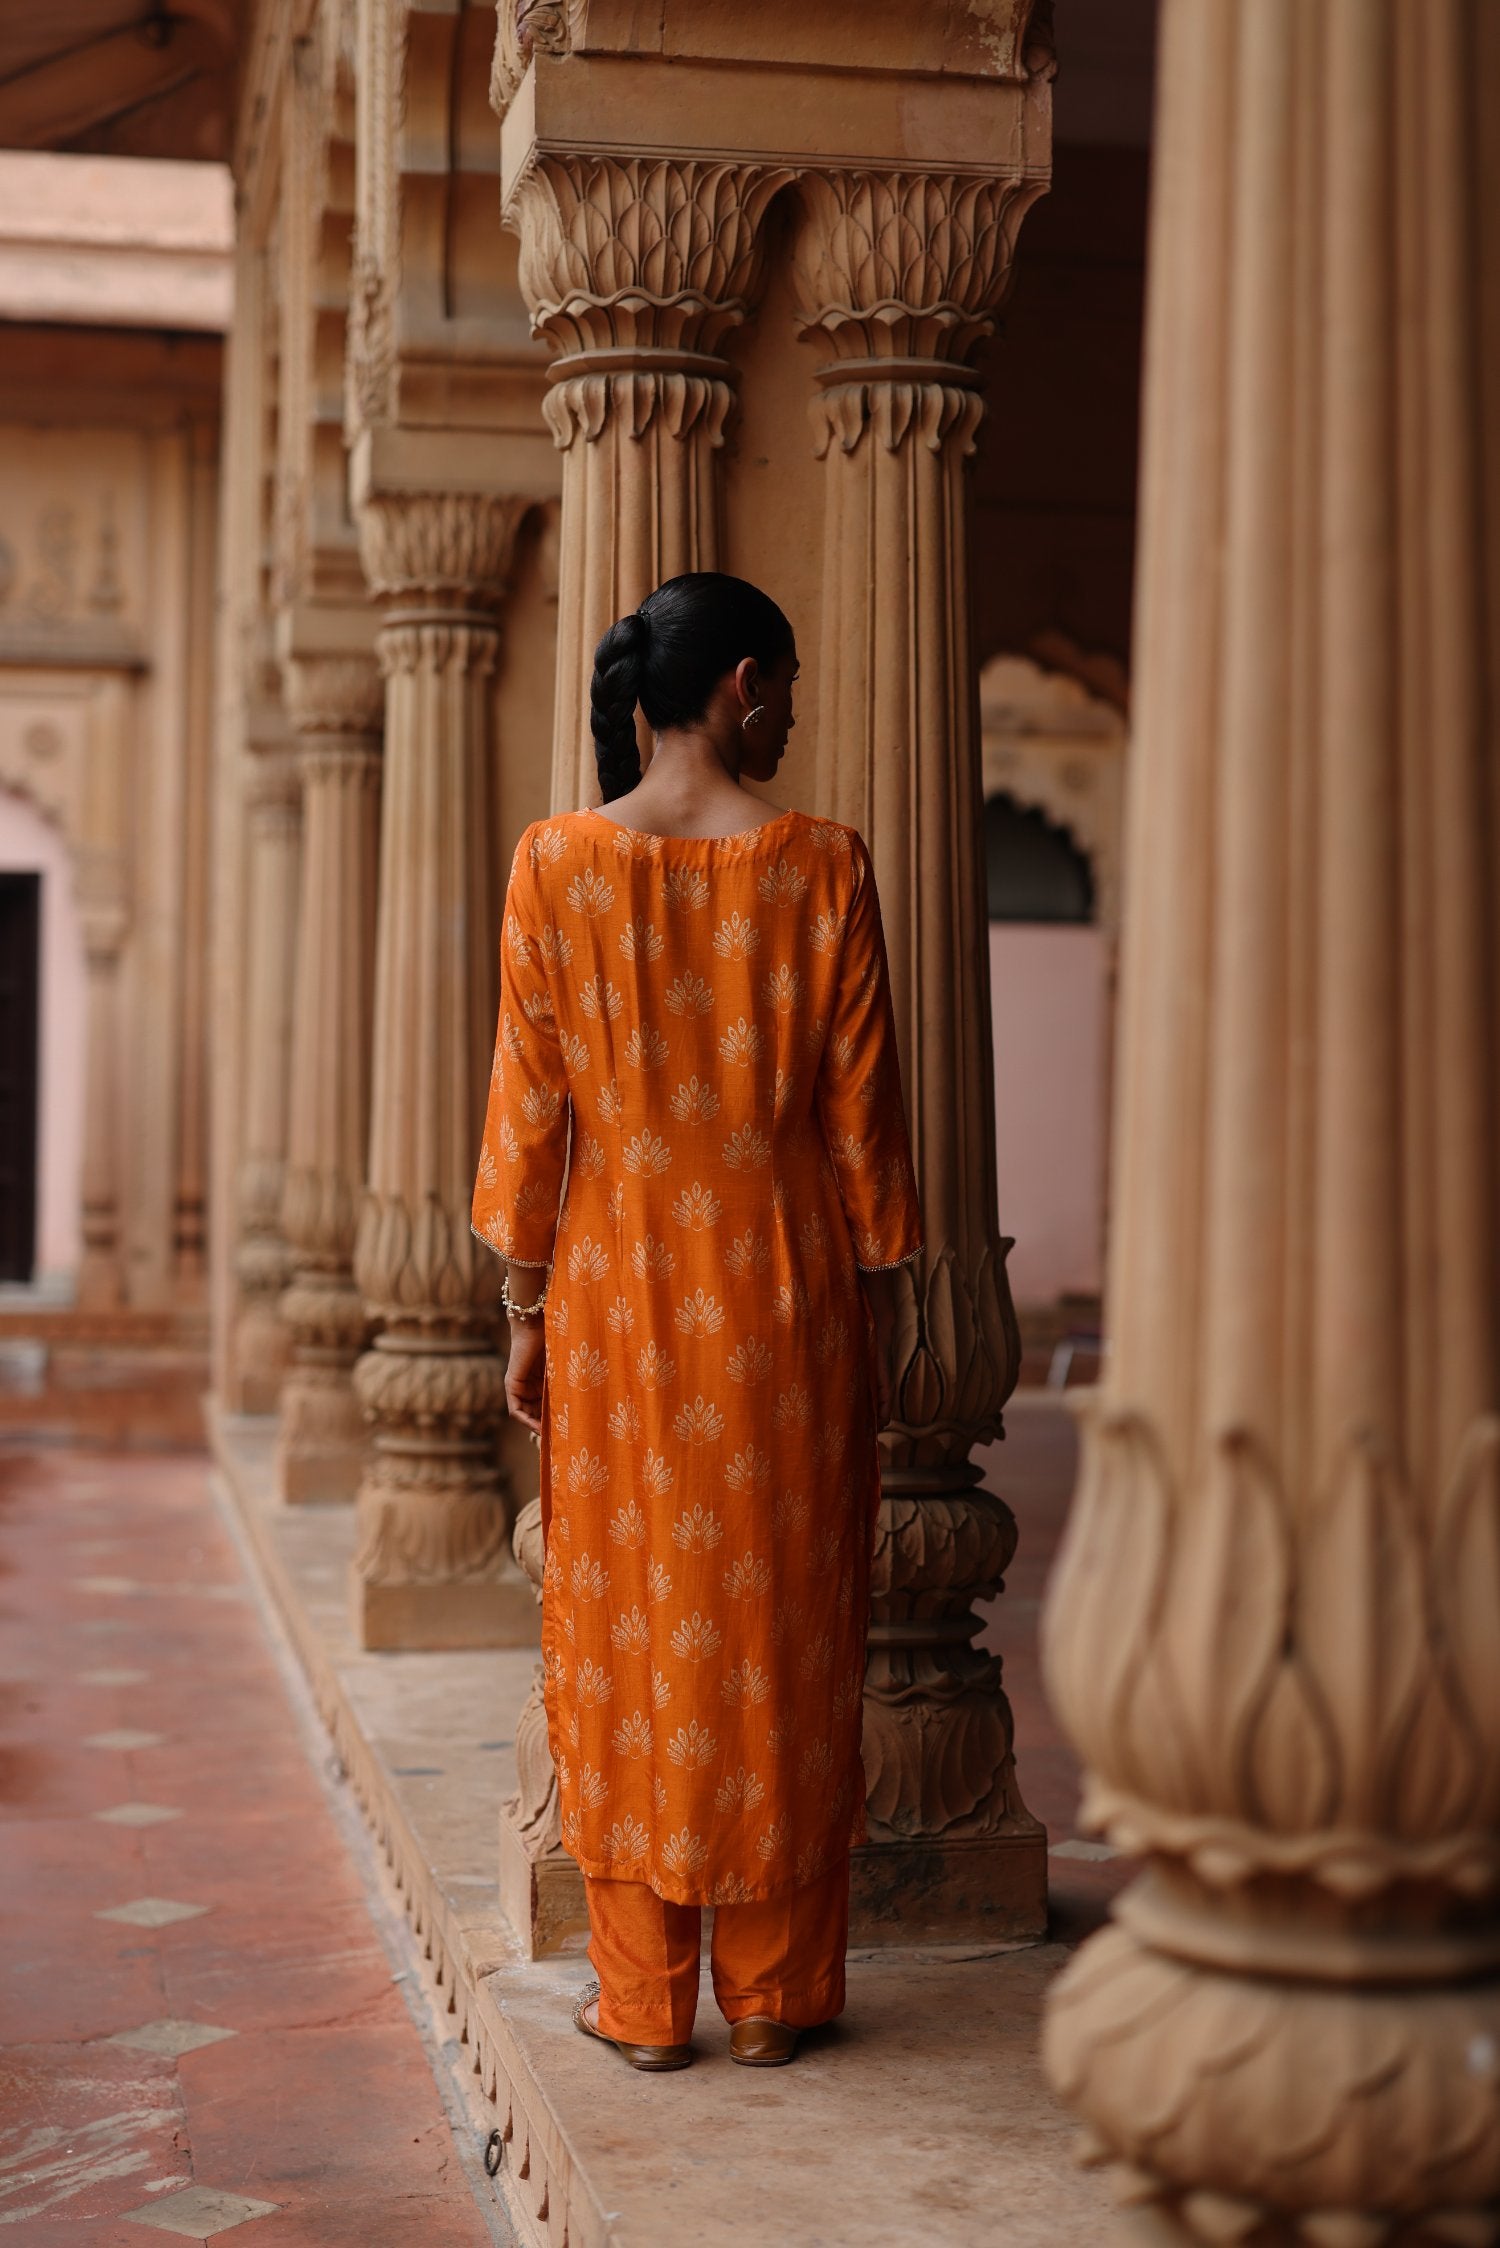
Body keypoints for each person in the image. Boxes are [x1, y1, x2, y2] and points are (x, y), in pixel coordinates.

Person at [471, 571, 923, 2070]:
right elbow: (865, 1127)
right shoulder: (826, 869)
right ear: (740, 686)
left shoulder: (556, 867)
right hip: (784, 1299)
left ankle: (645, 2003)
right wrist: (884, 1292)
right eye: (784, 686)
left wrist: (525, 1312)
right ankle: (777, 2002)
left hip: (613, 1300)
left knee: (623, 1628)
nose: (790, 712)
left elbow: (529, 1121)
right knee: (784, 1628)